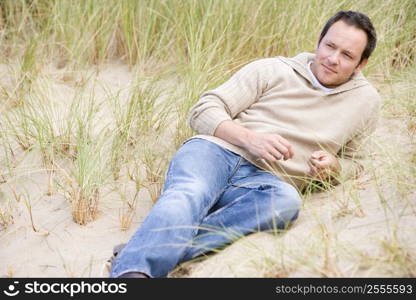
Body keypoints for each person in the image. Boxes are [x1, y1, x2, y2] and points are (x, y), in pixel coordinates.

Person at [109, 10, 380, 278]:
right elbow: (203, 110)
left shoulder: (365, 102)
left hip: (265, 182)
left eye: (347, 55)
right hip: (214, 153)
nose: (332, 59)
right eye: (330, 46)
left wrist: (335, 167)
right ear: (318, 42)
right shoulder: (273, 69)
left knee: (286, 203)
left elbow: (356, 162)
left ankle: (140, 250)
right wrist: (251, 139)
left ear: (361, 64)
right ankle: (133, 274)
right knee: (189, 193)